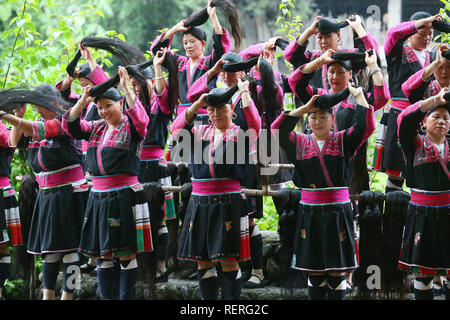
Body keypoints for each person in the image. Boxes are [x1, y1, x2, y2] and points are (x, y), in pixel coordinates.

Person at [271, 83, 376, 300]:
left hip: (338, 213)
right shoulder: (298, 141)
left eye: (323, 117)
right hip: (309, 213)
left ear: (333, 120)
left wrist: (359, 98)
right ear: (307, 121)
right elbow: (275, 130)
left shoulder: (343, 140)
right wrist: (304, 107)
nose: (317, 121)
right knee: (315, 272)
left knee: (337, 272)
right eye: (313, 117)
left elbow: (366, 128)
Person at [62, 66, 151, 300]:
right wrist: (83, 99)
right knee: (103, 254)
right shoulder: (96, 128)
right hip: (99, 198)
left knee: (124, 254)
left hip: (123, 195)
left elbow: (142, 120)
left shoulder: (131, 128)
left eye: (108, 106)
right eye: (99, 108)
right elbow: (70, 125)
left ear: (121, 104)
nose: (103, 112)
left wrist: (126, 90)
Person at [170, 78, 261, 300]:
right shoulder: (199, 132)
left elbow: (255, 124)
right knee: (203, 259)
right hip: (199, 202)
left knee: (228, 259)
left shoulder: (241, 133)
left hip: (228, 201)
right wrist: (196, 104)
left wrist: (245, 93)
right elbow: (176, 129)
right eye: (211, 109)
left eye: (221, 108)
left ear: (232, 109)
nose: (215, 114)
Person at [1, 85, 88, 300]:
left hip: (69, 193)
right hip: (47, 194)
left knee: (71, 250)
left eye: (41, 105)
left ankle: (69, 295)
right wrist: (17, 116)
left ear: (55, 103)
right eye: (35, 105)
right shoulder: (37, 124)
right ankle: (47, 296)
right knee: (48, 251)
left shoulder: (65, 122)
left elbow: (36, 131)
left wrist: (6, 117)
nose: (38, 109)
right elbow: (13, 142)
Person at [373, 12, 443, 193]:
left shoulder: (433, 57)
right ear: (411, 32)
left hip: (427, 116)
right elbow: (393, 34)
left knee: (422, 169)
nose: (428, 38)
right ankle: (392, 217)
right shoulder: (397, 52)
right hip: (400, 116)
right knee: (397, 173)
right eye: (422, 33)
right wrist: (420, 22)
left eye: (431, 33)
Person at [57, 42, 109, 274]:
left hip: (101, 162)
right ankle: (90, 257)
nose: (86, 90)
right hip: (86, 163)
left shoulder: (104, 104)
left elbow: (106, 83)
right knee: (89, 214)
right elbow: (61, 97)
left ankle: (101, 257)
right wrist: (70, 79)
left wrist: (89, 60)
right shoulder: (81, 102)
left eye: (89, 85)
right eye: (82, 85)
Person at [396, 88, 450, 300]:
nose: (442, 122)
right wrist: (433, 101)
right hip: (421, 216)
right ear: (425, 122)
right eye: (436, 117)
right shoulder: (414, 143)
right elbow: (406, 121)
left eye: (446, 118)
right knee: (423, 274)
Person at [130, 49, 177, 282]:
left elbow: (161, 92)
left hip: (156, 165)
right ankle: (142, 267)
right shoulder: (131, 108)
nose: (136, 88)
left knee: (158, 219)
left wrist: (158, 69)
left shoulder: (161, 106)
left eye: (139, 83)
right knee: (139, 218)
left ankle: (160, 266)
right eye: (132, 85)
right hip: (136, 168)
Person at [284, 14, 378, 89]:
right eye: (319, 37)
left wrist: (358, 27)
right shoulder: (312, 57)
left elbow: (371, 54)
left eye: (328, 36)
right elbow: (290, 55)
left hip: (344, 111)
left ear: (338, 35)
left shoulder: (348, 56)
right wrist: (309, 31)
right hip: (318, 111)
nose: (324, 41)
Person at [0, 116, 22, 300]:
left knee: (2, 247)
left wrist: (19, 118)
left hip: (1, 192)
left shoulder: (2, 127)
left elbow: (12, 142)